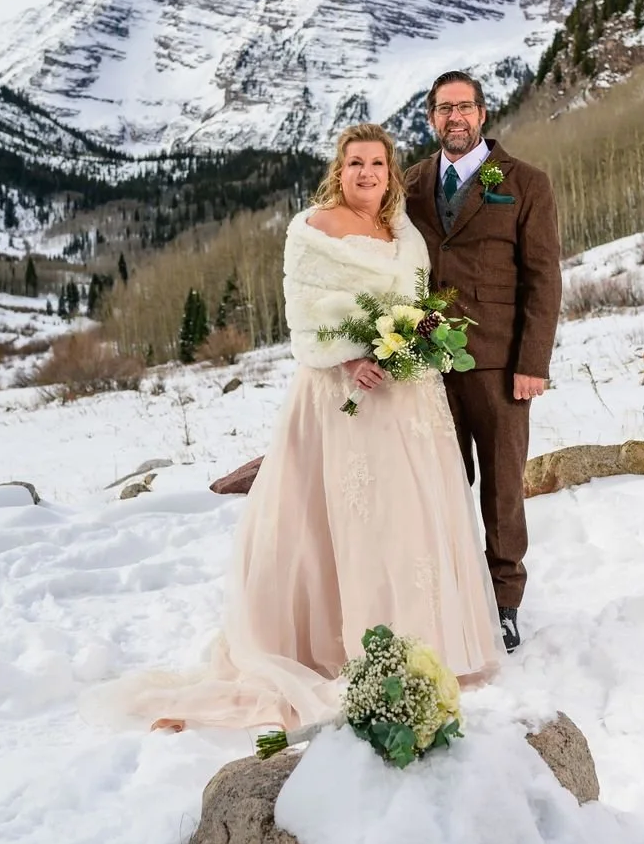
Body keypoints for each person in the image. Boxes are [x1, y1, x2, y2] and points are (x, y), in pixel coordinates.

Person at [86, 122, 501, 736]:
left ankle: (423, 641)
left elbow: (415, 299)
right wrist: (354, 356)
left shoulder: (403, 228)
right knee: (349, 518)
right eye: (355, 163)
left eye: (378, 165)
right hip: (343, 394)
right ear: (340, 169)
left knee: (410, 514)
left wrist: (412, 343)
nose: (366, 173)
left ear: (391, 172)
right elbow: (304, 318)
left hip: (409, 394)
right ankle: (348, 645)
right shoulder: (313, 228)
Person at [404, 72, 562, 653]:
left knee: (501, 488)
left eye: (464, 107)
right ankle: (448, 592)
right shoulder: (412, 183)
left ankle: (504, 602)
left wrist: (532, 362)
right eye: (444, 109)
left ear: (482, 113)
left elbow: (544, 280)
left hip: (499, 364)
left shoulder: (524, 184)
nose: (455, 118)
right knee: (438, 483)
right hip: (425, 364)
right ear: (430, 118)